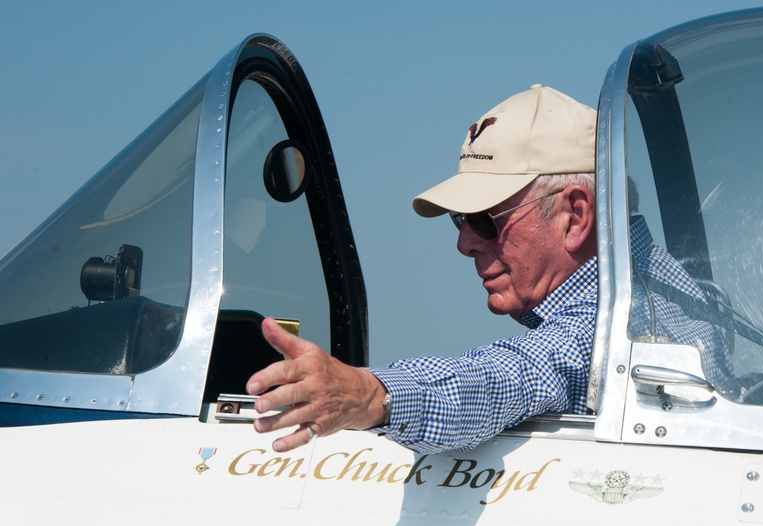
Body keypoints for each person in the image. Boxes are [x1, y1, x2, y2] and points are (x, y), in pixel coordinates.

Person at [247, 84, 730, 455]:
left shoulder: (610, 326)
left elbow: (507, 376)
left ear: (576, 215)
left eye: (484, 219)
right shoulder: (674, 289)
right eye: (461, 220)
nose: (463, 242)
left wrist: (369, 394)